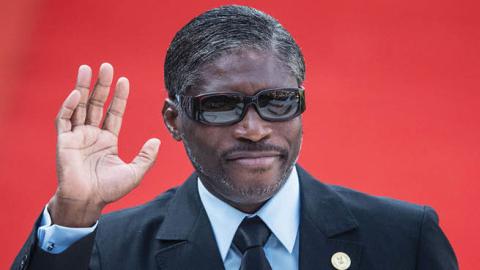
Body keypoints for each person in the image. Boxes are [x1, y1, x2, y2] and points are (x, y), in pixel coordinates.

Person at [12, 5, 457, 270]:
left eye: (277, 101)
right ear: (173, 119)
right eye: (222, 106)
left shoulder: (403, 239)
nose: (254, 128)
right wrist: (73, 213)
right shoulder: (110, 249)